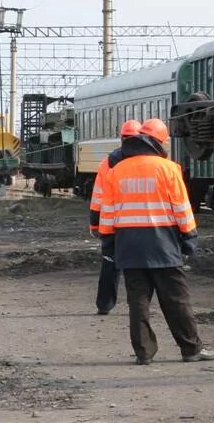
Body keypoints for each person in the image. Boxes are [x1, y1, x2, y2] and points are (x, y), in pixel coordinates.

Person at [99, 118, 214, 365]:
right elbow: (182, 208)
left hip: (128, 244)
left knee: (138, 302)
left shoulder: (117, 170)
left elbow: (107, 210)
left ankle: (144, 353)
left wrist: (107, 241)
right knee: (176, 299)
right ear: (158, 143)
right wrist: (189, 237)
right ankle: (191, 349)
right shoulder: (168, 168)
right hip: (162, 243)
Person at [89, 119, 141, 314]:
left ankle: (105, 304)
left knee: (110, 263)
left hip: (113, 224)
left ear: (121, 138)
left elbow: (97, 198)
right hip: (143, 225)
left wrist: (95, 224)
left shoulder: (107, 163)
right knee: (139, 268)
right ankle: (138, 306)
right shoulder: (149, 164)